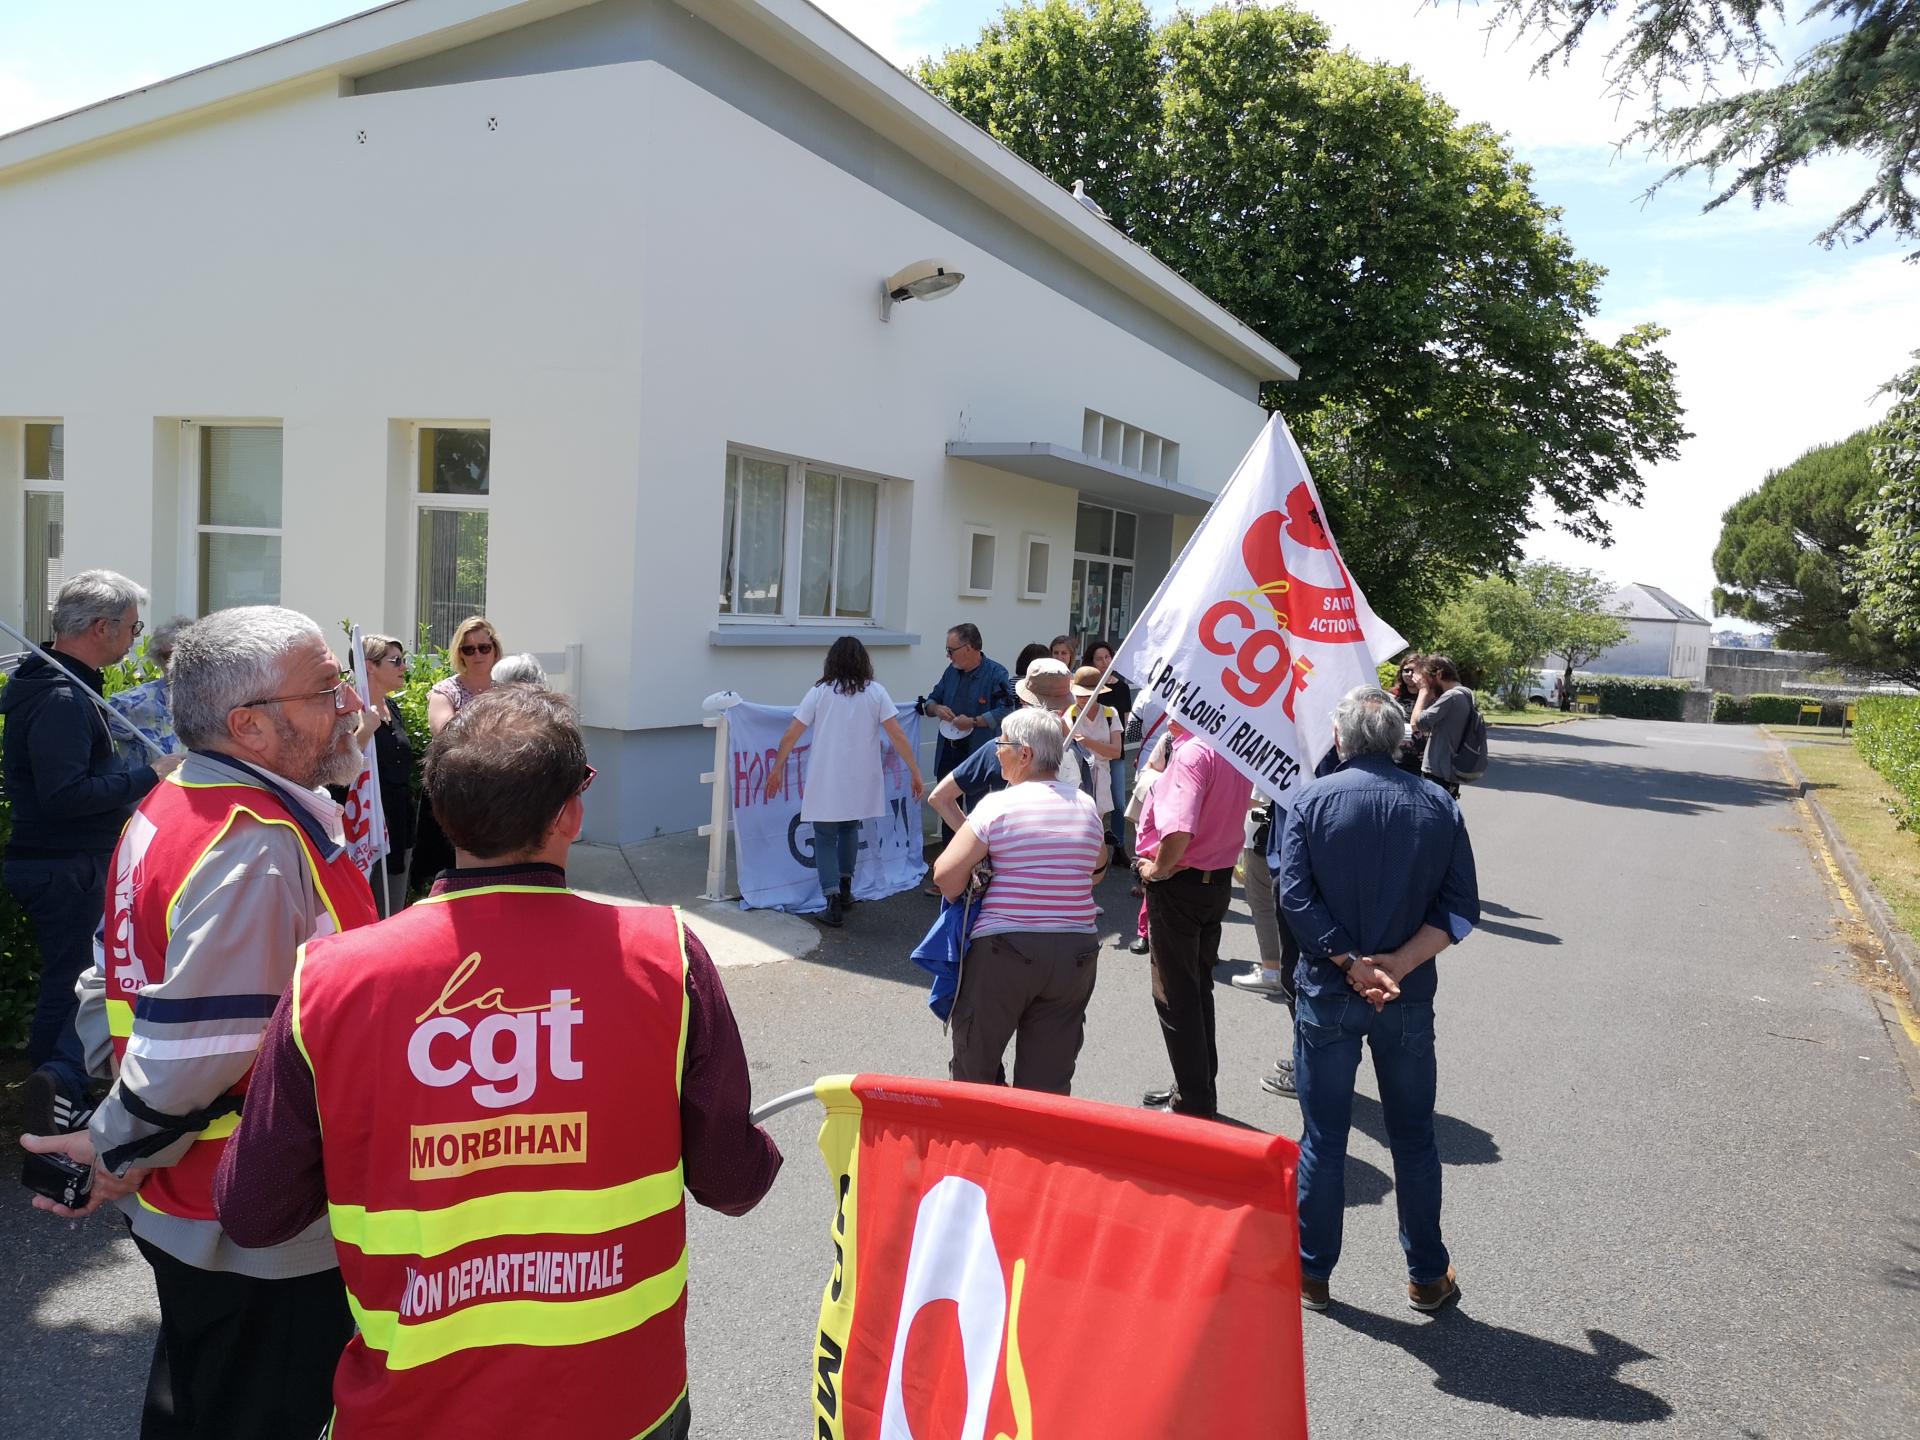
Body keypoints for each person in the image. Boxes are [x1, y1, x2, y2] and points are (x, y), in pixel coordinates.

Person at [213, 686, 781, 1440]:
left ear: (443, 812)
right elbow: (733, 1183)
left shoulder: (328, 980)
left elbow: (254, 1212)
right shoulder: (666, 957)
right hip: (622, 1404)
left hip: (411, 1413)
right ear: (570, 814)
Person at [20, 605, 378, 1439]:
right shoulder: (253, 845)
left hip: (194, 1206)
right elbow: (199, 1055)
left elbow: (105, 982)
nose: (353, 703)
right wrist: (113, 1154)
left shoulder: (175, 799)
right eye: (328, 687)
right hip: (258, 1215)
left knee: (199, 1396)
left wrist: (118, 1133)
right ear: (250, 725)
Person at [1278, 685, 1479, 1315]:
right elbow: (1460, 909)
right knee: (1414, 1136)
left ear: (1339, 739)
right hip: (1407, 994)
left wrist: (1351, 961)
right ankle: (1425, 1272)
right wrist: (1397, 965)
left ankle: (1312, 1272)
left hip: (1331, 989)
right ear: (1400, 739)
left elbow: (1294, 897)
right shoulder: (1438, 804)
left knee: (1325, 1136)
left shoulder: (1311, 799)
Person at [2, 569, 181, 1136]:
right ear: (101, 628)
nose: (134, 639)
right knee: (77, 979)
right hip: (67, 863)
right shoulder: (59, 695)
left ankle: (53, 1090)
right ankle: (58, 1088)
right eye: (132, 628)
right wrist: (146, 776)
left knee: (71, 975)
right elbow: (64, 795)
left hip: (62, 861)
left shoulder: (64, 685)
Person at [932, 708, 1104, 1094]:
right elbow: (1097, 870)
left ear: (1025, 754)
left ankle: (981, 1150)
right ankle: (1034, 1150)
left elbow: (945, 875)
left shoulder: (998, 805)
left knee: (976, 1070)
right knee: (1048, 1082)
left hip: (1006, 950)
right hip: (1076, 952)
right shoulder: (1086, 806)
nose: (996, 752)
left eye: (1002, 744)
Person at [1135, 725, 1254, 1120]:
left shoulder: (1192, 754)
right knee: (1196, 989)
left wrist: (1156, 870)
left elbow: (1180, 830)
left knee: (1176, 994)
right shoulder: (1226, 749)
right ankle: (1196, 1088)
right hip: (1211, 883)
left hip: (1183, 883)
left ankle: (1194, 1100)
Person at [766, 635, 925, 927]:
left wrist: (777, 768)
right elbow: (897, 734)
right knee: (850, 828)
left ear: (832, 661)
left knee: (825, 836)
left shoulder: (820, 692)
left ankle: (832, 900)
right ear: (864, 661)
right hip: (861, 778)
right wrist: (915, 770)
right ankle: (847, 888)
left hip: (827, 776)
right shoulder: (876, 692)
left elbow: (792, 732)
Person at [925, 659, 1078, 833]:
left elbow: (939, 798)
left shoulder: (1000, 747)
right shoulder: (1081, 752)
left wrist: (976, 843)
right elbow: (1099, 854)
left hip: (1007, 852)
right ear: (1067, 704)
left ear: (1022, 699)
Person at [918, 621, 1014, 808]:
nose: (948, 655)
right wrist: (936, 709)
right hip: (948, 750)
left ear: (968, 648)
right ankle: (950, 839)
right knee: (946, 806)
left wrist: (973, 722)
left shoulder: (996, 673)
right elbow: (931, 700)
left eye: (951, 650)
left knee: (975, 809)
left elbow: (1006, 710)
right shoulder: (951, 672)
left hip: (976, 753)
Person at [359, 633, 417, 916]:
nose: (403, 667)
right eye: (395, 661)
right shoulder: (351, 709)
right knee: (366, 909)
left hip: (399, 821)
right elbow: (340, 766)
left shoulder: (392, 708)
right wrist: (364, 729)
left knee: (393, 907)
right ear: (370, 666)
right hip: (367, 827)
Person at [108, 614, 194, 757]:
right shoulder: (130, 704)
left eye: (187, 655)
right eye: (169, 656)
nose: (178, 662)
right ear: (158, 658)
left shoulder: (218, 702)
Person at [1065, 665, 1123, 824]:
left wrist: (1087, 742)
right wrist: (1100, 747)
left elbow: (1116, 752)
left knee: (1097, 823)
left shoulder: (1110, 713)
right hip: (1078, 776)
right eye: (1079, 695)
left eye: (1088, 695)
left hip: (1102, 774)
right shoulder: (1070, 714)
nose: (1082, 699)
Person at [426, 615, 502, 735]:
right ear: (460, 653)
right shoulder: (445, 691)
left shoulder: (505, 690)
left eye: (484, 648)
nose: (477, 654)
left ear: (495, 650)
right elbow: (444, 736)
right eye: (469, 650)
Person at [1409, 654, 1472, 799]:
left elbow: (1415, 724)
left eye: (1427, 678)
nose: (1426, 683)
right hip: (1451, 772)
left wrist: (1423, 691)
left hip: (1438, 773)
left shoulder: (1451, 697)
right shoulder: (1466, 694)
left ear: (1438, 674)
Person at [1390, 654, 1428, 778]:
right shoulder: (1393, 695)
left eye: (1414, 671)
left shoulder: (1431, 697)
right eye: (1406, 670)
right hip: (1394, 759)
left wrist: (1431, 751)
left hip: (1420, 763)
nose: (1409, 674)